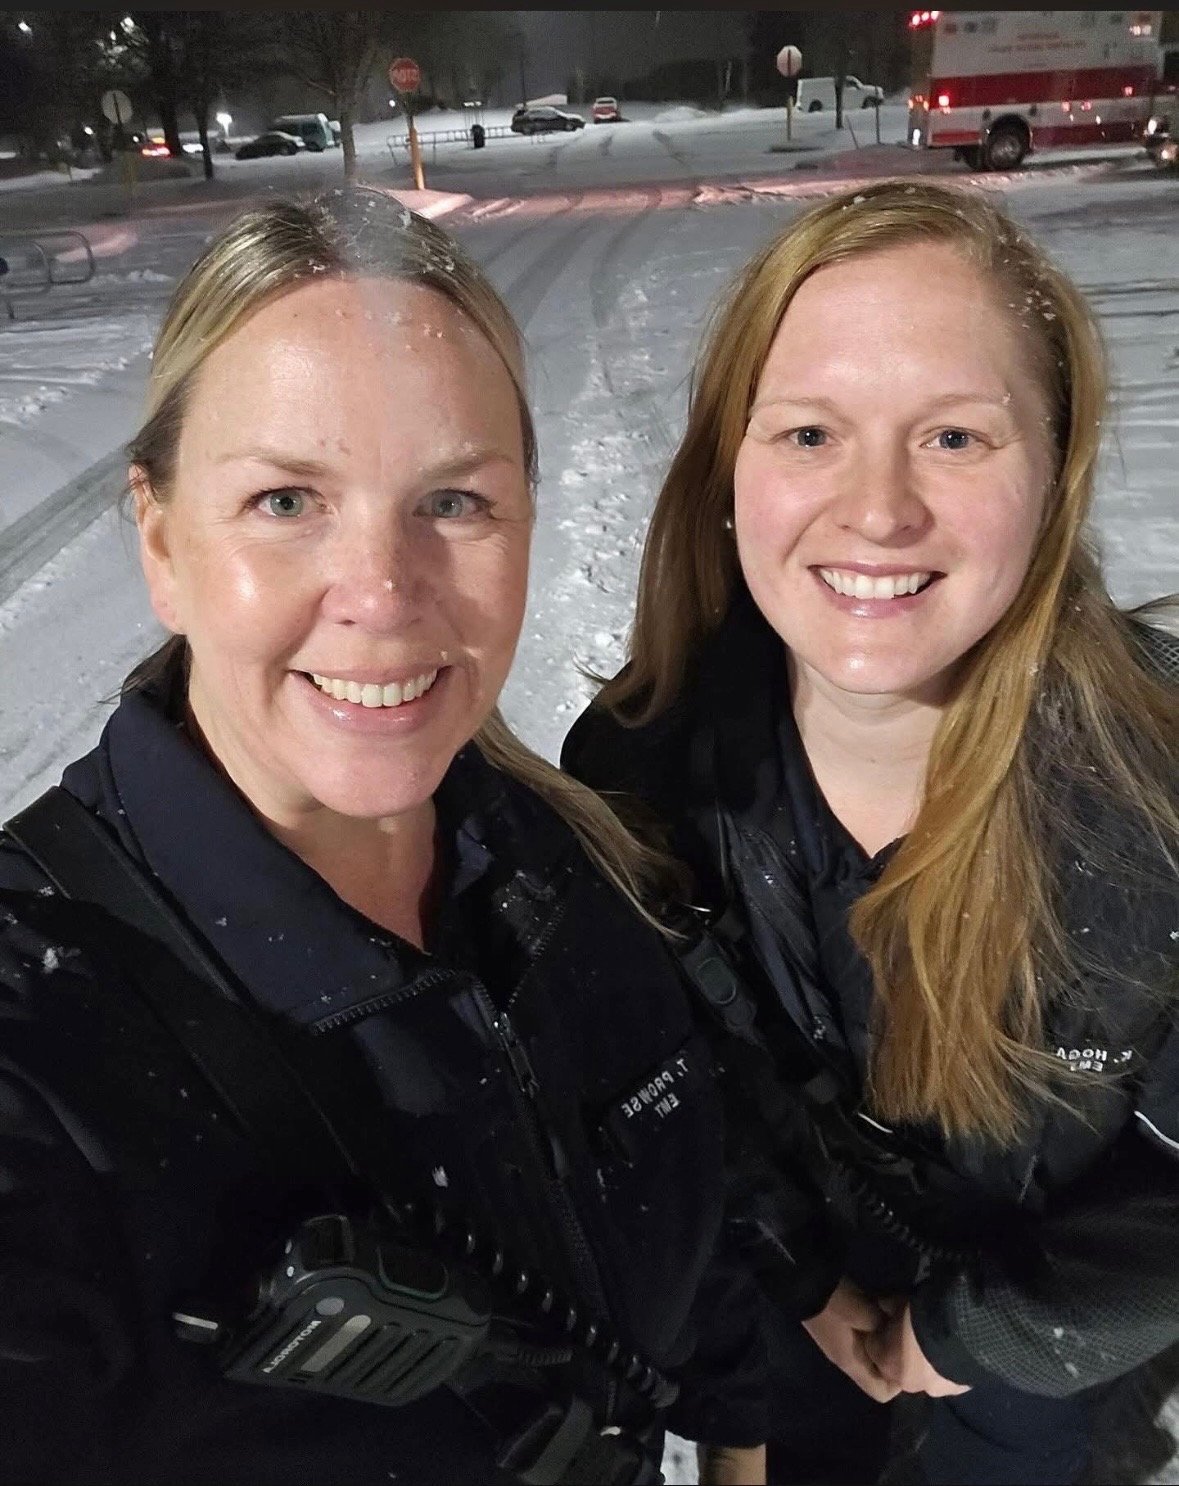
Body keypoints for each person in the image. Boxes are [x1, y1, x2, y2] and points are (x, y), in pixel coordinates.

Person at [0, 188, 768, 1486]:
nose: (383, 593)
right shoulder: (54, 1032)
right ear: (161, 542)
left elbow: (686, 1228)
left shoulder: (556, 862)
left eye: (455, 502)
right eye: (288, 500)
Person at [563, 179, 1179, 1485]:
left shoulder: (1162, 794)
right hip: (798, 1290)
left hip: (1047, 1322)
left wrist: (973, 1332)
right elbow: (665, 1089)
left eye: (955, 438)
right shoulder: (641, 772)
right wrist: (790, 1270)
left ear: (1055, 470)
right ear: (730, 468)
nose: (879, 508)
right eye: (809, 434)